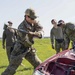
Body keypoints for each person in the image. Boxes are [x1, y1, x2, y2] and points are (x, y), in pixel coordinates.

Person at [1, 8, 43, 75]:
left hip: (29, 49)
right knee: (11, 69)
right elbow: (26, 42)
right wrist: (30, 36)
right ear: (27, 17)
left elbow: (41, 30)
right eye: (32, 18)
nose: (33, 20)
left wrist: (37, 34)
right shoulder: (21, 27)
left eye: (34, 18)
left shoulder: (35, 22)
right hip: (19, 49)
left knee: (40, 65)